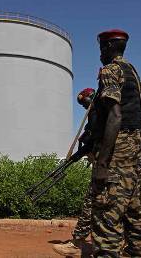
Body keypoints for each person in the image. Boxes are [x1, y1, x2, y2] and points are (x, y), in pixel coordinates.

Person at [90, 29, 141, 257]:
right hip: (133, 151)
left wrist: (103, 163)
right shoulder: (134, 74)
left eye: (100, 49)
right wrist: (137, 148)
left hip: (117, 150)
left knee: (106, 212)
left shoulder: (110, 70)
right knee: (133, 211)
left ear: (107, 48)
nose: (99, 54)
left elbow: (115, 115)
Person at [53, 88, 96, 257]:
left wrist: (83, 150)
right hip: (115, 166)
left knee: (91, 203)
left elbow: (95, 139)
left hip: (107, 167)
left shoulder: (97, 114)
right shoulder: (99, 114)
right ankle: (133, 247)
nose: (84, 107)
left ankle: (77, 244)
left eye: (85, 103)